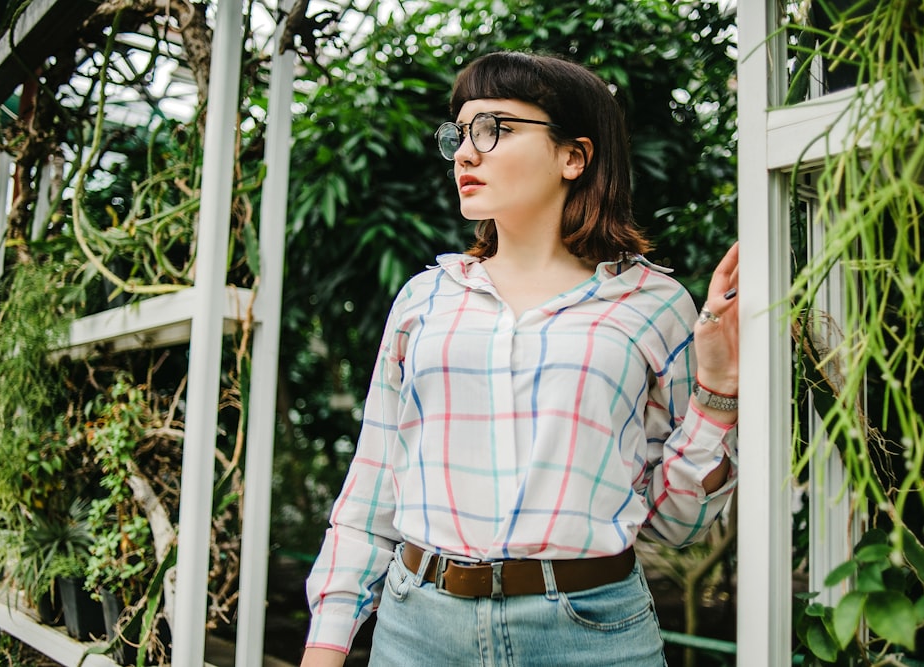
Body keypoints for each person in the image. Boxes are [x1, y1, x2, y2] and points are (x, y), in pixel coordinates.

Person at [300, 51, 739, 667]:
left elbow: (678, 526)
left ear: (573, 156)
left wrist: (718, 391)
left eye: (494, 129)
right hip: (416, 631)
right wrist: (327, 643)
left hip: (588, 633)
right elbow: (372, 492)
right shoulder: (427, 298)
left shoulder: (653, 305)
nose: (465, 153)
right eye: (459, 133)